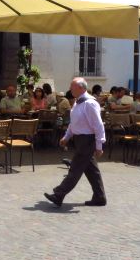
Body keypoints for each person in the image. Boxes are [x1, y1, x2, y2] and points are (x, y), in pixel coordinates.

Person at [45, 77, 107, 208]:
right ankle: (100, 197)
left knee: (75, 169)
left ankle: (59, 194)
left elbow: (98, 125)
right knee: (92, 171)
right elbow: (74, 123)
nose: (70, 89)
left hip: (87, 140)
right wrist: (66, 137)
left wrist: (99, 145)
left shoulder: (90, 103)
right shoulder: (78, 102)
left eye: (72, 86)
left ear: (81, 88)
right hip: (80, 140)